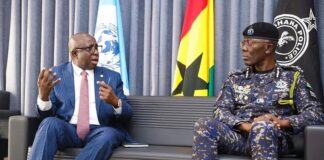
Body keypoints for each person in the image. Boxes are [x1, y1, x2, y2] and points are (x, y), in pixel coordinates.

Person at [192, 22, 324, 160]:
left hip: (274, 139)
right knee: (204, 124)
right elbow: (220, 110)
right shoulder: (236, 78)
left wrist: (282, 122)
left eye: (250, 43)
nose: (244, 48)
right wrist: (244, 126)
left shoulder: (293, 77)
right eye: (243, 43)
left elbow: (316, 114)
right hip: (240, 138)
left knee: (263, 128)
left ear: (268, 47)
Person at [30, 32, 133, 160]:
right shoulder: (56, 74)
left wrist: (115, 102)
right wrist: (44, 98)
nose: (96, 52)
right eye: (90, 48)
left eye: (97, 47)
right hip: (68, 131)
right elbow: (45, 117)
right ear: (74, 54)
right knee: (49, 123)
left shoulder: (112, 76)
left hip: (99, 131)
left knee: (109, 134)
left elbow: (127, 114)